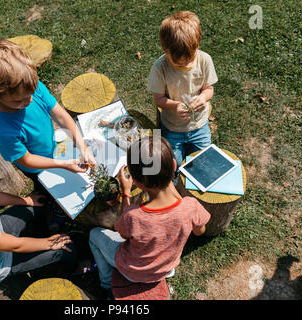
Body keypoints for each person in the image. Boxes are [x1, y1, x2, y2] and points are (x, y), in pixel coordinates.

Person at [0, 38, 97, 230]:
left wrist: (82, 147)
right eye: (18, 101)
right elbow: (27, 161)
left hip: (53, 148)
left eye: (30, 94)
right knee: (48, 189)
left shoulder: (31, 86)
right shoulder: (2, 130)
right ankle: (54, 209)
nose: (28, 101)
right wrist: (63, 164)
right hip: (36, 168)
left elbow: (62, 117)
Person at [89, 135, 211, 298]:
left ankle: (105, 282)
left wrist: (126, 193)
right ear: (174, 165)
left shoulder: (134, 215)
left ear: (137, 183)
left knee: (94, 235)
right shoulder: (190, 206)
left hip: (132, 271)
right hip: (165, 268)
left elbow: (124, 235)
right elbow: (199, 231)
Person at [147, 11, 218, 172]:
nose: (186, 65)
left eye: (190, 59)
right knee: (172, 166)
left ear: (197, 45)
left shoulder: (205, 60)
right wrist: (175, 105)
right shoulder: (160, 68)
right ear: (166, 50)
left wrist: (203, 97)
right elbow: (158, 99)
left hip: (199, 125)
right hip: (172, 128)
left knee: (202, 162)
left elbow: (209, 89)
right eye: (179, 62)